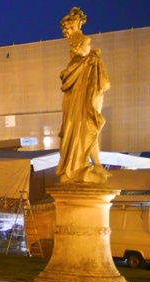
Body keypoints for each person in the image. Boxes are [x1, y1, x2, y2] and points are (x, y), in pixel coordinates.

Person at [55, 7, 111, 184]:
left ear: (76, 25)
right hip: (74, 95)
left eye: (68, 28)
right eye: (66, 29)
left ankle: (92, 166)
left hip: (82, 94)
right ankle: (89, 166)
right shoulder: (78, 49)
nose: (67, 32)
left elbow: (79, 64)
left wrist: (93, 58)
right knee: (78, 129)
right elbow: (73, 69)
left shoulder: (85, 42)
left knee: (84, 128)